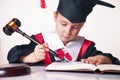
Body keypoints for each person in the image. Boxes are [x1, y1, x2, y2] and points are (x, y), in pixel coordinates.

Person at [7, 0, 120, 66]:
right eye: (64, 24)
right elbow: (13, 54)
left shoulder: (86, 47)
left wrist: (101, 59)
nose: (68, 32)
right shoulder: (40, 41)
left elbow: (113, 60)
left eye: (75, 27)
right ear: (55, 16)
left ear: (82, 24)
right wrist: (32, 57)